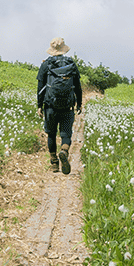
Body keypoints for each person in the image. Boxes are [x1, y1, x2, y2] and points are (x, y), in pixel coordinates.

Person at [37, 37, 83, 174]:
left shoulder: (46, 64)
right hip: (67, 106)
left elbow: (40, 87)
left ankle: (54, 164)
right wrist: (79, 103)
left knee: (51, 134)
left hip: (50, 105)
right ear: (64, 49)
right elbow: (78, 87)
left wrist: (39, 105)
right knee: (66, 133)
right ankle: (64, 150)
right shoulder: (71, 64)